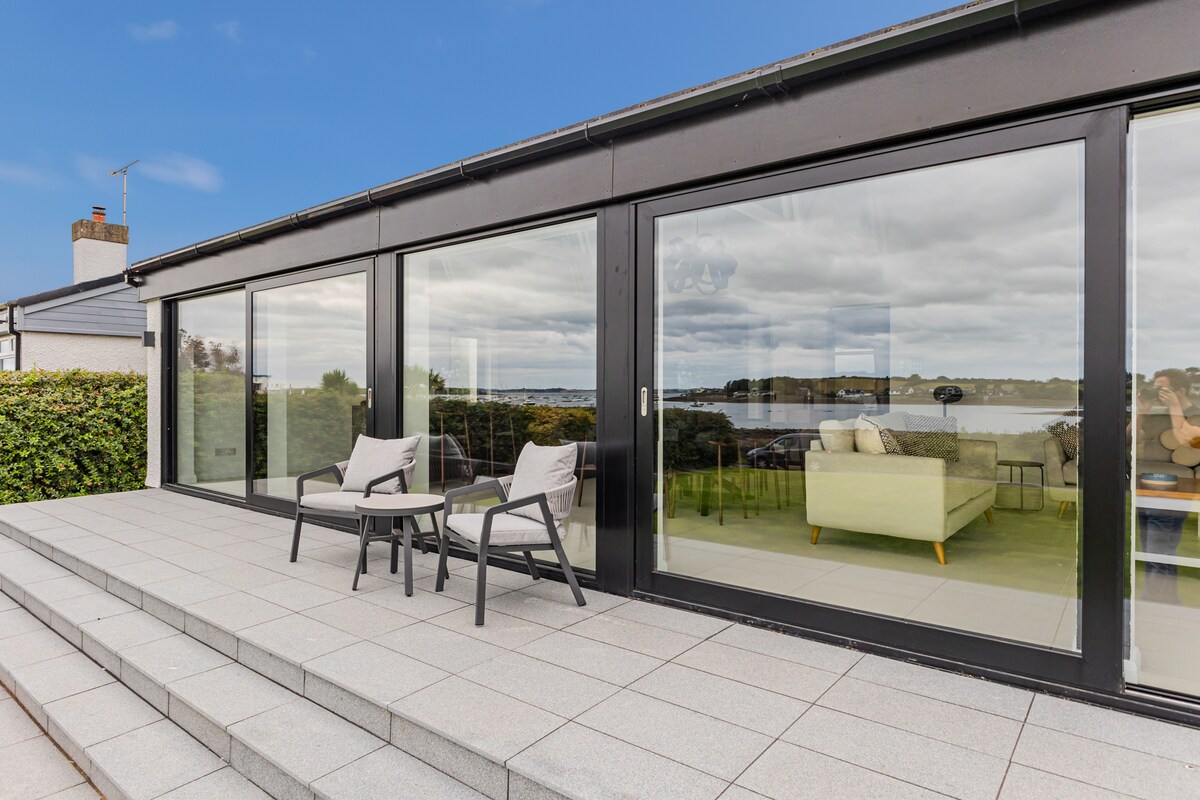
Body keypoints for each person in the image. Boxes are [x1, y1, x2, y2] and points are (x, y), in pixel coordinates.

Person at [1136, 370, 1198, 603]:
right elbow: (1129, 438)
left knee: (1159, 553)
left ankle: (1153, 606)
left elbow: (1187, 440)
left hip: (1175, 492)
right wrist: (1142, 410)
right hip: (1148, 486)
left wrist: (1174, 407)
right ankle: (1168, 603)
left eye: (1163, 388)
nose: (1158, 393)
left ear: (1180, 390)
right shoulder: (1156, 413)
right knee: (1153, 551)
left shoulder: (1195, 413)